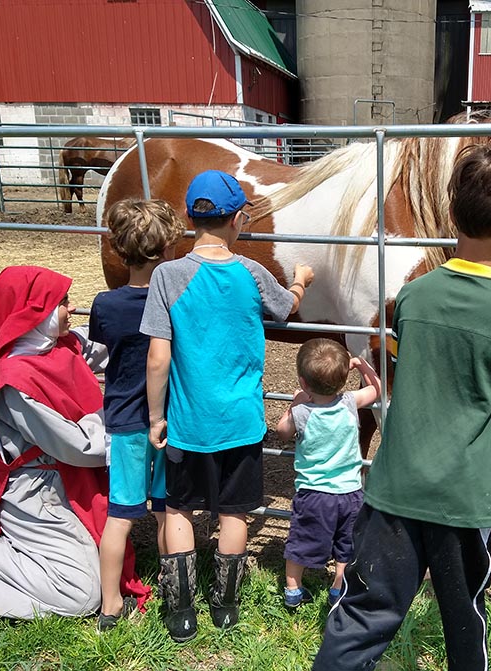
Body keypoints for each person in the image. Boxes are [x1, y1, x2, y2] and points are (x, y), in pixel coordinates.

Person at [312, 145, 491, 671]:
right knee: (464, 617)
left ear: (451, 216)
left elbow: (401, 359)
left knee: (363, 613)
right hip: (464, 502)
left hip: (393, 490)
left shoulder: (413, 297)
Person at [141, 169, 315, 641]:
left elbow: (158, 357)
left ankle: (180, 613)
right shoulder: (252, 273)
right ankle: (226, 606)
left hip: (185, 423)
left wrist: (156, 417)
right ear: (239, 218)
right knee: (234, 513)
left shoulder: (166, 276)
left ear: (188, 218)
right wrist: (300, 281)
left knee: (178, 510)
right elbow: (285, 310)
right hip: (239, 422)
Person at [0, 266, 149, 620]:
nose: (72, 308)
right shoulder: (16, 384)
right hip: (37, 493)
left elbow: (115, 349)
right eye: (62, 302)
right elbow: (82, 447)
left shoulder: (60, 347)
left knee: (98, 567)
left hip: (67, 480)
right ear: (35, 312)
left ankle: (14, 550)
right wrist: (126, 417)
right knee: (82, 595)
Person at [91, 199, 185, 631]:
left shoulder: (104, 305)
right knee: (167, 511)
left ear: (118, 250)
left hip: (123, 422)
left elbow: (104, 351)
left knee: (119, 516)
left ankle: (109, 606)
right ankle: (173, 594)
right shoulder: (176, 302)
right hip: (167, 421)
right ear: (167, 250)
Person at [274, 338, 382, 609]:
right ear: (343, 379)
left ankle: (293, 589)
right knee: (346, 543)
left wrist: (296, 401)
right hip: (350, 492)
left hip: (313, 494)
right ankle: (338, 587)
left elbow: (282, 432)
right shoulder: (349, 402)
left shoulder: (302, 412)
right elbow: (377, 390)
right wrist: (361, 365)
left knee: (301, 540)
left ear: (303, 381)